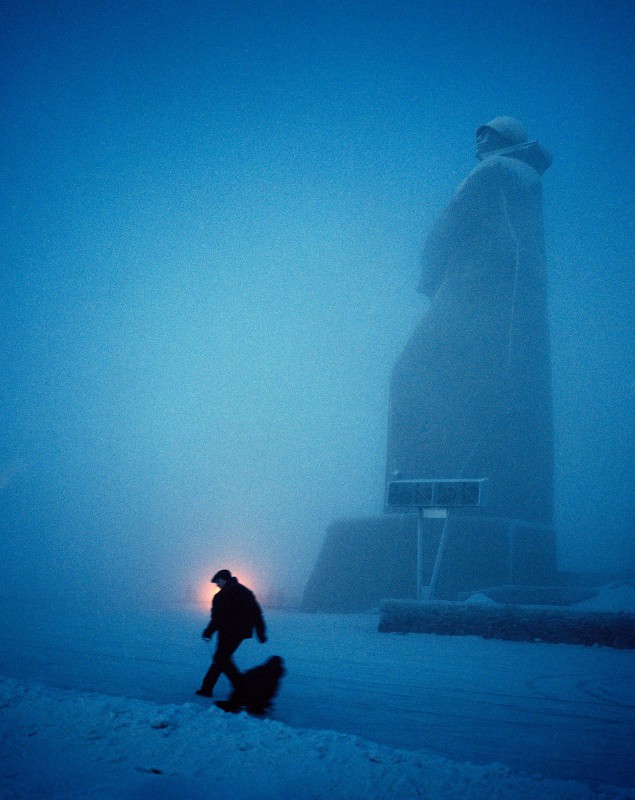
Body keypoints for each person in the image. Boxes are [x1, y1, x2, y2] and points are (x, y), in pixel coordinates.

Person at [195, 569, 267, 698]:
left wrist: (209, 631)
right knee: (221, 658)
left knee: (221, 658)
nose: (216, 584)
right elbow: (257, 613)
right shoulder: (245, 591)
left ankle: (242, 688)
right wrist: (260, 632)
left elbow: (217, 617)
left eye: (217, 581)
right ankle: (207, 688)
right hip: (241, 633)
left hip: (228, 632)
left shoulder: (222, 596)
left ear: (224, 579)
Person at [215, 655, 285, 715]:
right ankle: (248, 706)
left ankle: (233, 705)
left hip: (253, 698)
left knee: (240, 688)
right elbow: (272, 693)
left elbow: (244, 679)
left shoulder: (263, 671)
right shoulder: (273, 676)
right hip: (257, 700)